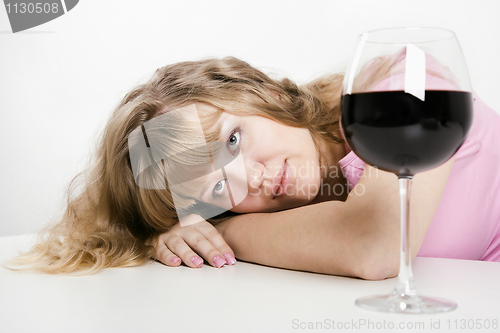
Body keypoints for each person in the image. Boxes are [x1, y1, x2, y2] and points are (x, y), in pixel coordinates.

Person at [8, 56, 500, 278]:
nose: (250, 178)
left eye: (233, 139)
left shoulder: (395, 87)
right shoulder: (288, 225)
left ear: (259, 93)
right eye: (218, 190)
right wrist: (178, 233)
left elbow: (376, 245)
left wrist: (230, 235)